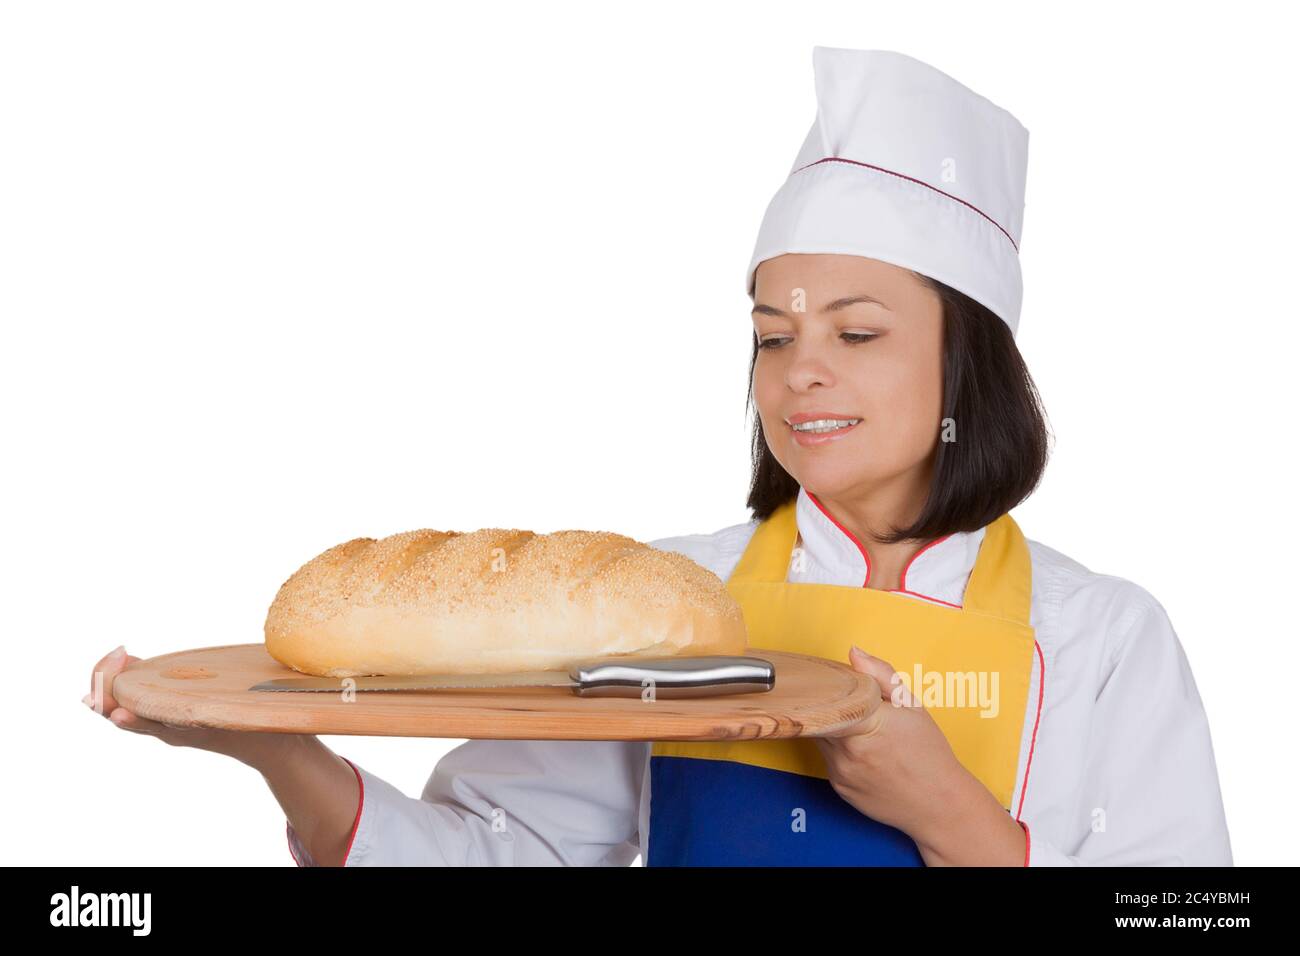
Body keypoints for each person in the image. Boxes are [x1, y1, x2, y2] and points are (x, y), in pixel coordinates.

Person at [83, 46, 1233, 866]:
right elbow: (500, 852)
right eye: (772, 336)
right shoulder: (673, 606)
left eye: (858, 331)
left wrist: (952, 815)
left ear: (965, 363)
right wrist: (278, 752)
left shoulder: (1100, 636)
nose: (799, 371)